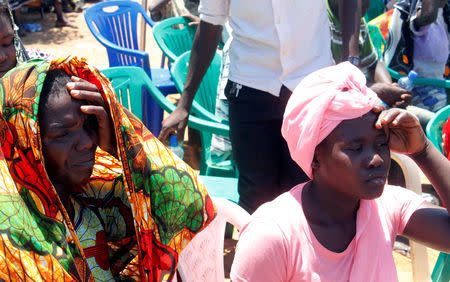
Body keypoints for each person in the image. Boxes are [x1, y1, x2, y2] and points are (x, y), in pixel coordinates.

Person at [0, 57, 215, 281]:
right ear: (25, 143)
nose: (86, 141)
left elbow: (187, 199)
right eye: (63, 134)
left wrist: (119, 142)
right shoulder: (11, 233)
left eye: (90, 124)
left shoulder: (90, 200)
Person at [230, 62, 450, 281]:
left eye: (381, 144)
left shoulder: (386, 206)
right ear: (315, 156)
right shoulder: (273, 236)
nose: (375, 159)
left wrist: (423, 151)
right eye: (355, 148)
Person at [159, 0, 372, 213]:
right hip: (249, 89)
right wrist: (184, 104)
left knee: (309, 195)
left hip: (311, 91)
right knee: (257, 200)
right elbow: (210, 25)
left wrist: (349, 62)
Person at [384, 0, 449, 112]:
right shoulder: (416, 11)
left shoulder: (445, 12)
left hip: (442, 85)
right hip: (419, 93)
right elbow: (427, 16)